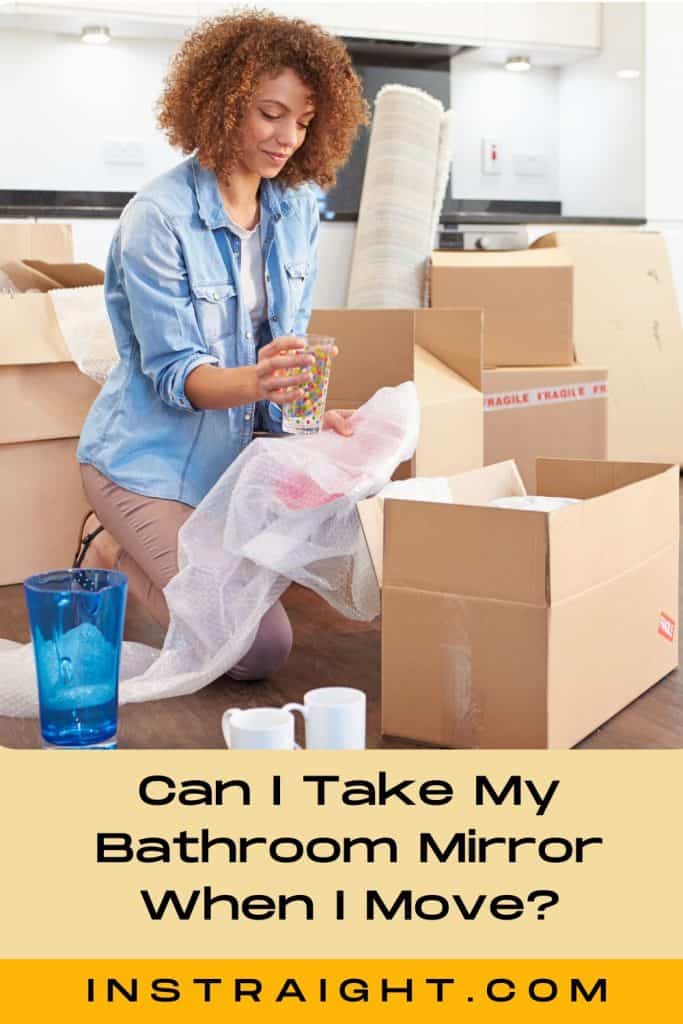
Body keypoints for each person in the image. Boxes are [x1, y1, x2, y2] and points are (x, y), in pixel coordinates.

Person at [75, 10, 369, 680]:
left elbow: (283, 348)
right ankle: (110, 548)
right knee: (254, 652)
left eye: (302, 120)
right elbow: (180, 377)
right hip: (146, 467)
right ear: (221, 102)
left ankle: (155, 564)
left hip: (230, 469)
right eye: (270, 114)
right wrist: (262, 383)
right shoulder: (159, 217)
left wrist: (303, 412)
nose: (287, 137)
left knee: (275, 611)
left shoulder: (295, 210)